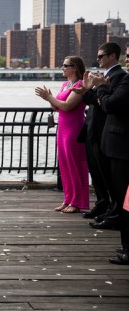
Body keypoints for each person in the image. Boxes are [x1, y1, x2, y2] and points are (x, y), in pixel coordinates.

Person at [78, 42, 126, 228]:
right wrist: (86, 90)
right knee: (98, 174)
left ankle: (114, 212)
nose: (98, 59)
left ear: (112, 56)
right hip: (95, 130)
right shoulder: (105, 77)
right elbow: (96, 101)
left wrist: (100, 89)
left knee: (111, 179)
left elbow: (108, 104)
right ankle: (105, 206)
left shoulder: (119, 76)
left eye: (101, 56)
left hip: (104, 131)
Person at [89, 48, 129, 265]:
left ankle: (128, 248)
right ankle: (126, 245)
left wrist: (102, 88)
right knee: (122, 198)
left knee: (124, 199)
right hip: (115, 144)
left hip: (121, 148)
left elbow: (111, 104)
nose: (127, 60)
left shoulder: (123, 80)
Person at [35, 56, 89, 214]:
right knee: (65, 165)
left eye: (66, 65)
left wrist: (49, 97)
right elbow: (58, 108)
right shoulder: (66, 84)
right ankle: (68, 199)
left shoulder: (80, 85)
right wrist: (50, 101)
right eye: (63, 65)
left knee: (75, 164)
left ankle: (78, 202)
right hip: (63, 128)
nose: (62, 68)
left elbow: (67, 106)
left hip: (74, 128)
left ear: (75, 68)